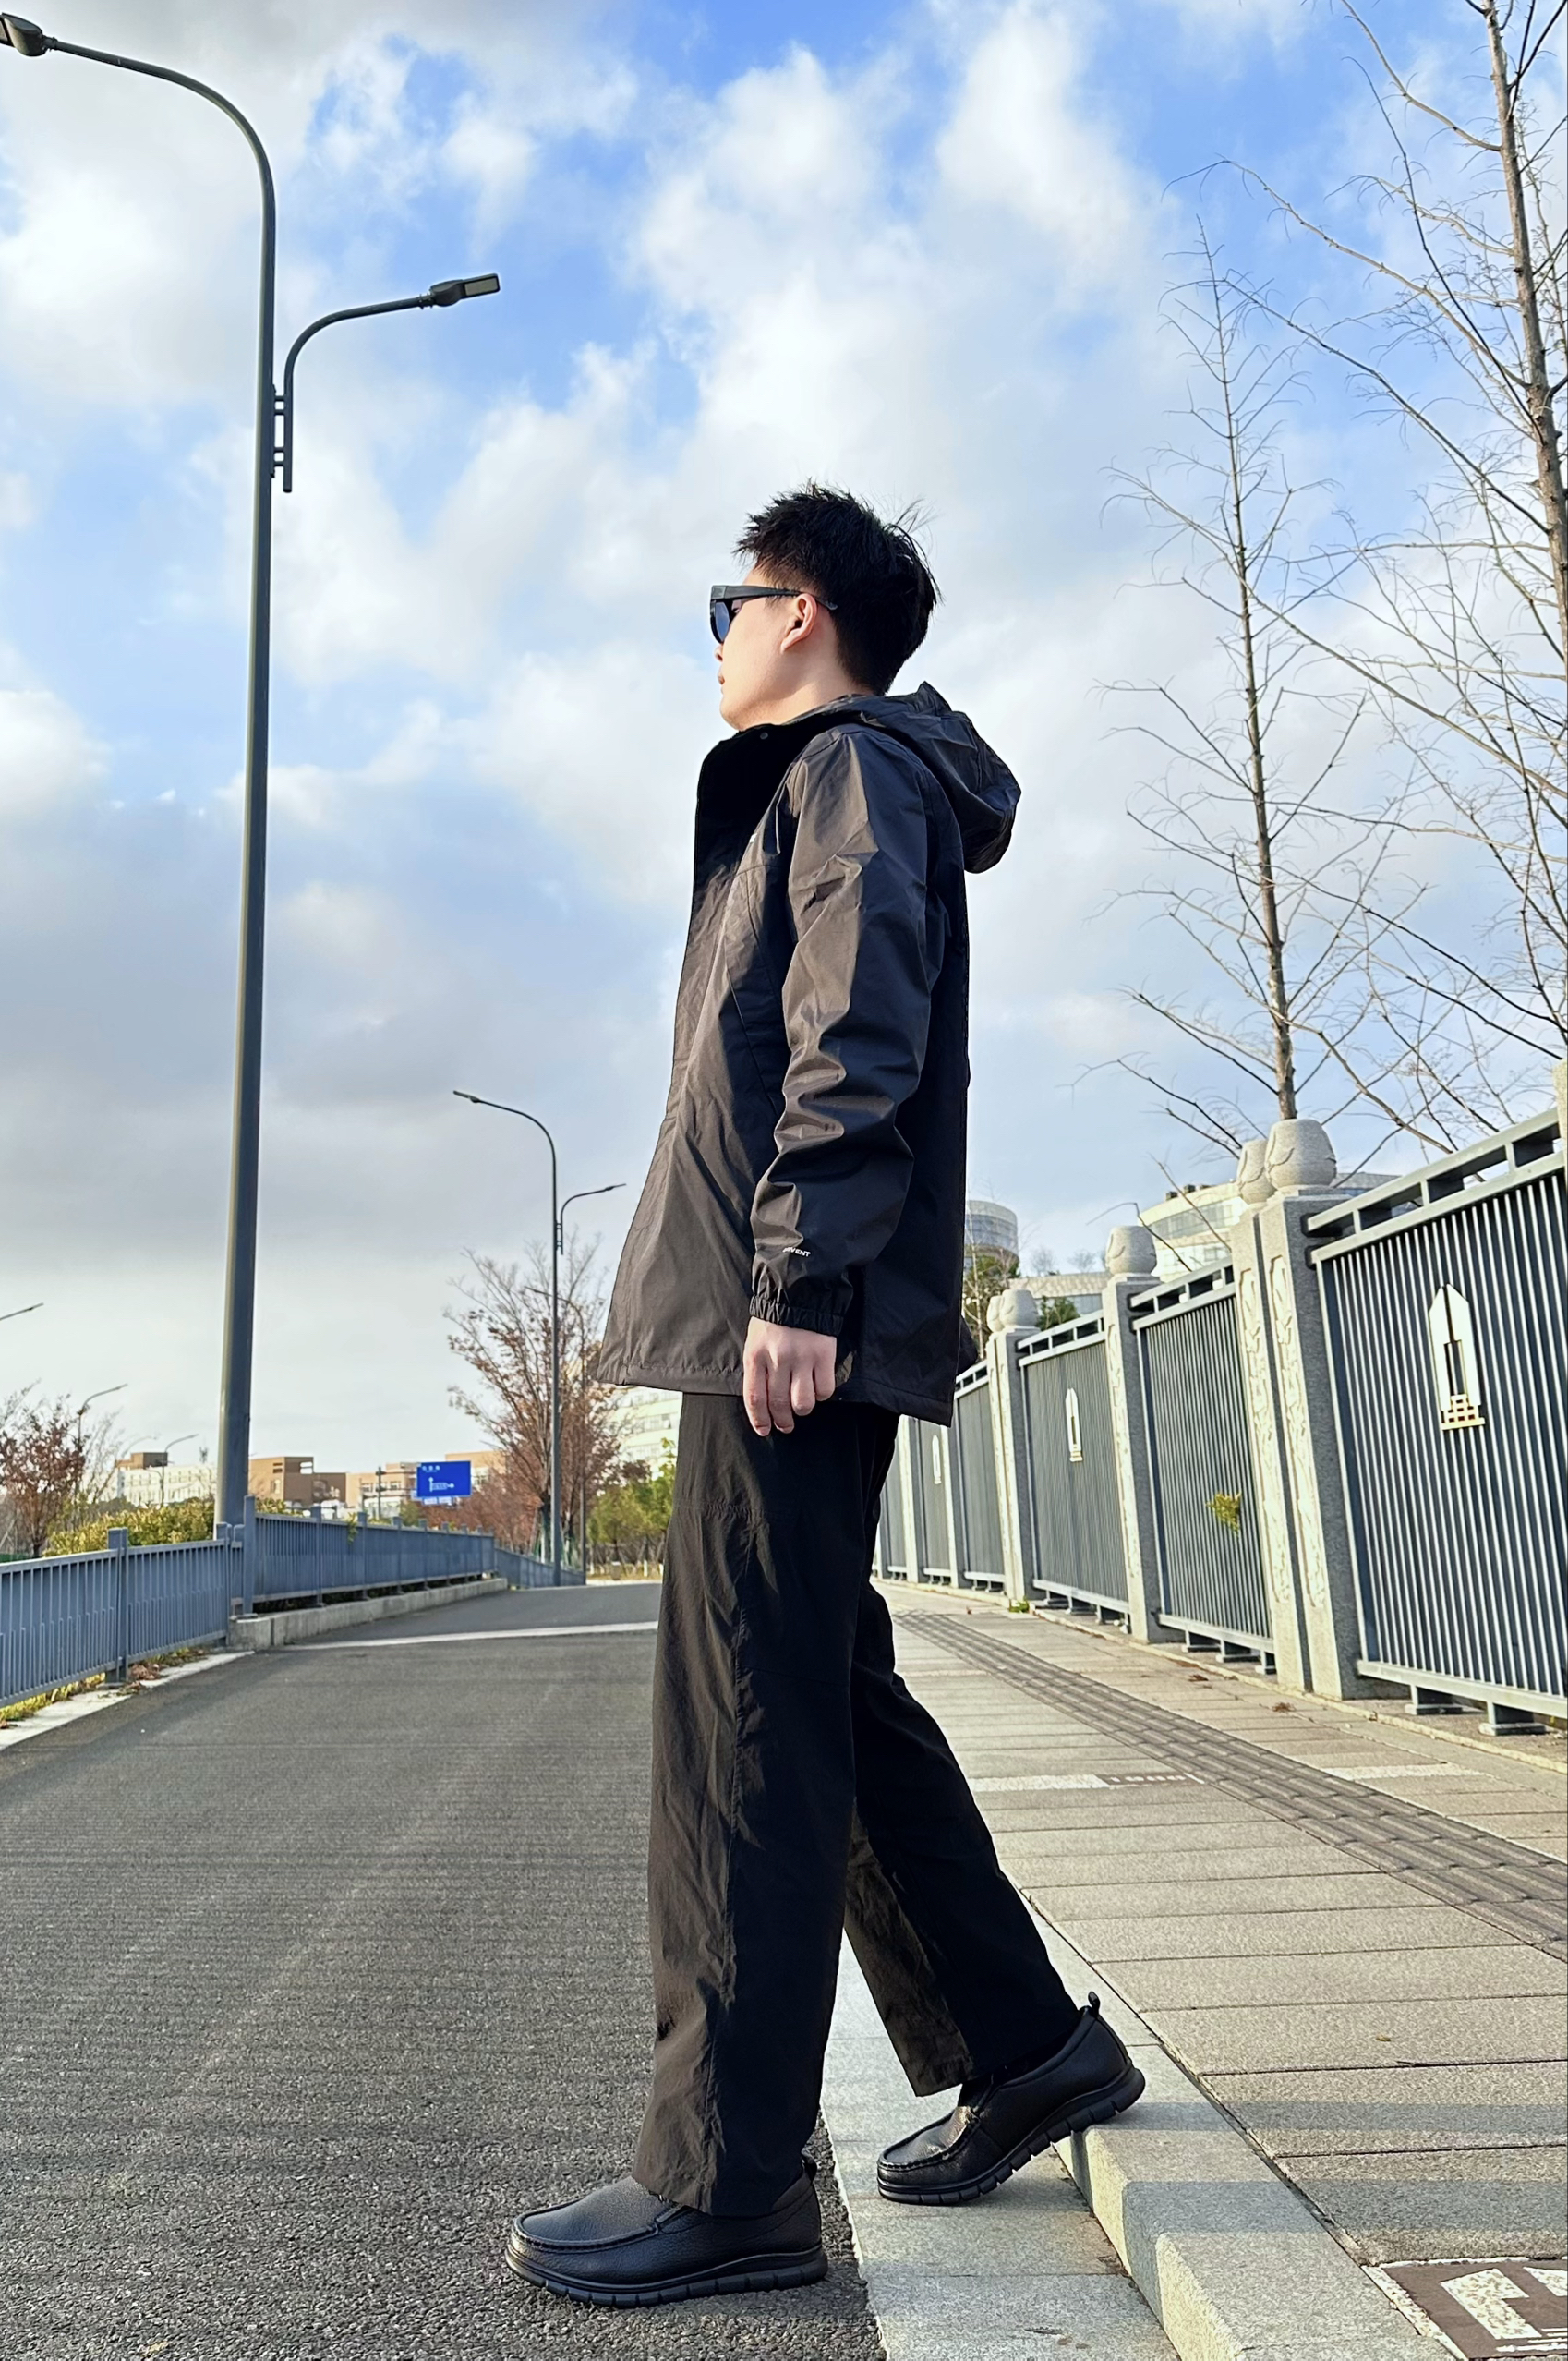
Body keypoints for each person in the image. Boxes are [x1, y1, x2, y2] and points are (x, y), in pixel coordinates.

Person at [505, 484, 1142, 2307]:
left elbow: (855, 1031)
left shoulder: (848, 773)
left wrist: (794, 1283)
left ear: (801, 613)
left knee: (742, 1730)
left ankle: (726, 2181)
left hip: (782, 1321)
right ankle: (1026, 2044)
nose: (714, 635)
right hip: (784, 1308)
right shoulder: (840, 782)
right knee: (820, 1692)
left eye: (729, 602)